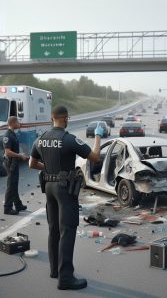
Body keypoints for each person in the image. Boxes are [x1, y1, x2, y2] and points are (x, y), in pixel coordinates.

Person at [29, 105, 103, 290]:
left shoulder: (41, 139)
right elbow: (94, 157)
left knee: (53, 229)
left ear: (52, 118)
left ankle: (55, 270)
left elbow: (31, 164)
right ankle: (66, 278)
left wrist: (49, 170)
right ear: (65, 119)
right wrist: (98, 136)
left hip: (49, 188)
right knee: (67, 231)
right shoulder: (69, 139)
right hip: (65, 190)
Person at [3, 116, 28, 215]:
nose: (19, 124)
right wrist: (20, 156)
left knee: (14, 184)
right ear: (13, 123)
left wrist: (22, 155)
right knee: (11, 185)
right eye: (17, 122)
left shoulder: (13, 134)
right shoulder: (7, 135)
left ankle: (18, 204)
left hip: (14, 163)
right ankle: (7, 208)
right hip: (10, 164)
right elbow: (8, 152)